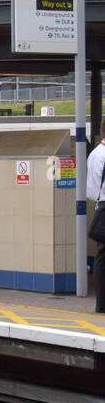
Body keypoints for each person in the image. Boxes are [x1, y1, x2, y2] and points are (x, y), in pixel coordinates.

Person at [88, 123, 105, 313]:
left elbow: (92, 189)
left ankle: (101, 304)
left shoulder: (94, 154)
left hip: (101, 206)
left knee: (102, 257)